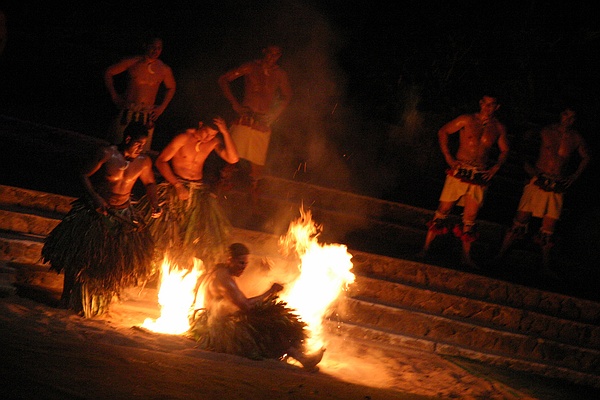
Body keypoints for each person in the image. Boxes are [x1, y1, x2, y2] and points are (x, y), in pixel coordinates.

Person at [41, 122, 162, 318]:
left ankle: (102, 298)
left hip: (123, 213)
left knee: (115, 258)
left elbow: (150, 183)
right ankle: (66, 297)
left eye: (144, 145)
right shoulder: (107, 153)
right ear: (128, 139)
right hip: (96, 209)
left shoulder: (144, 162)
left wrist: (155, 203)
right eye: (138, 144)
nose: (141, 148)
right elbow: (83, 174)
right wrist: (95, 197)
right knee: (78, 254)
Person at [190, 243, 325, 369]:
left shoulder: (219, 271)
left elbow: (236, 299)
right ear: (229, 259)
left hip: (205, 321)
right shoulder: (224, 279)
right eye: (241, 263)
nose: (243, 267)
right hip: (210, 328)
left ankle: (300, 354)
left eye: (246, 264)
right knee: (266, 324)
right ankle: (302, 358)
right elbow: (246, 306)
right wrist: (270, 292)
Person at [139, 116, 239, 272]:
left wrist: (225, 133)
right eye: (206, 133)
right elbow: (161, 161)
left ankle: (182, 267)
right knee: (167, 231)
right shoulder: (184, 137)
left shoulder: (213, 142)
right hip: (176, 186)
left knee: (192, 234)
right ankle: (156, 266)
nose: (208, 138)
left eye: (212, 135)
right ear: (200, 124)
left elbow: (233, 159)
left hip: (197, 190)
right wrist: (177, 185)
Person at [497, 108, 590, 274]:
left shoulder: (575, 138)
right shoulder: (546, 130)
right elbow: (520, 144)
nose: (568, 120)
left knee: (549, 226)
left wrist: (574, 177)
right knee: (520, 219)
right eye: (565, 115)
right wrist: (528, 167)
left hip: (557, 184)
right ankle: (500, 255)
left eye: (572, 117)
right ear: (560, 115)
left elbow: (586, 157)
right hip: (539, 179)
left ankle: (545, 266)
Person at [422, 95, 510, 268]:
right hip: (460, 170)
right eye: (485, 103)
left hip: (479, 174)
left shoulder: (498, 128)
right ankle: (425, 249)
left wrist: (496, 167)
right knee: (443, 210)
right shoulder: (467, 119)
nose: (487, 107)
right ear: (480, 103)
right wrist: (448, 156)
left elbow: (505, 150)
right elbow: (443, 131)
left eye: (491, 105)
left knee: (470, 217)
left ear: (497, 107)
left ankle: (466, 257)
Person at [218, 45, 292, 204]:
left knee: (257, 168)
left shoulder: (279, 74)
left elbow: (287, 97)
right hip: (245, 118)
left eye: (277, 54)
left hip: (262, 122)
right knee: (231, 159)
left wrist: (273, 116)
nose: (273, 56)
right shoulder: (251, 67)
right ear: (264, 51)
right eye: (270, 52)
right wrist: (235, 104)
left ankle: (254, 204)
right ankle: (219, 196)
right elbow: (224, 79)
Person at [104, 36, 176, 152]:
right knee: (116, 147)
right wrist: (114, 95)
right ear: (145, 46)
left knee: (140, 152)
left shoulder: (163, 69)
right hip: (128, 110)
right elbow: (109, 72)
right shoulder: (133, 62)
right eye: (153, 47)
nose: (155, 51)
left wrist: (162, 107)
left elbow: (171, 87)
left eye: (159, 48)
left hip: (146, 115)